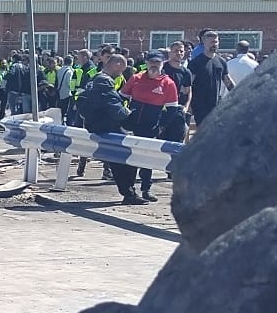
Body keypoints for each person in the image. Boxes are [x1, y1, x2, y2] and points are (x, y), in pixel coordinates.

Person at [76, 53, 141, 203]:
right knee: (128, 157)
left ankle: (129, 192)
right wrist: (131, 117)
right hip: (107, 127)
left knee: (117, 161)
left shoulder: (94, 79)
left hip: (94, 126)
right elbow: (114, 107)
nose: (121, 73)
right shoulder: (104, 82)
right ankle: (129, 192)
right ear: (116, 64)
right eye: (122, 69)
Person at [125, 53, 179, 202]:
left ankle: (146, 189)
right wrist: (123, 118)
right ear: (147, 63)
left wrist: (162, 127)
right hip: (132, 125)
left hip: (151, 127)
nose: (154, 65)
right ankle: (129, 190)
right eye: (151, 62)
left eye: (157, 62)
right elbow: (122, 96)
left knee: (146, 159)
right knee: (130, 158)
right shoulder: (136, 78)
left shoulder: (168, 84)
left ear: (163, 64)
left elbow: (172, 110)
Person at [187, 28, 231, 128]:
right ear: (204, 42)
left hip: (216, 105)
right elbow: (189, 84)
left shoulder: (221, 61)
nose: (214, 44)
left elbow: (228, 82)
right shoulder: (196, 62)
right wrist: (188, 104)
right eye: (211, 42)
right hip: (200, 105)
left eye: (216, 42)